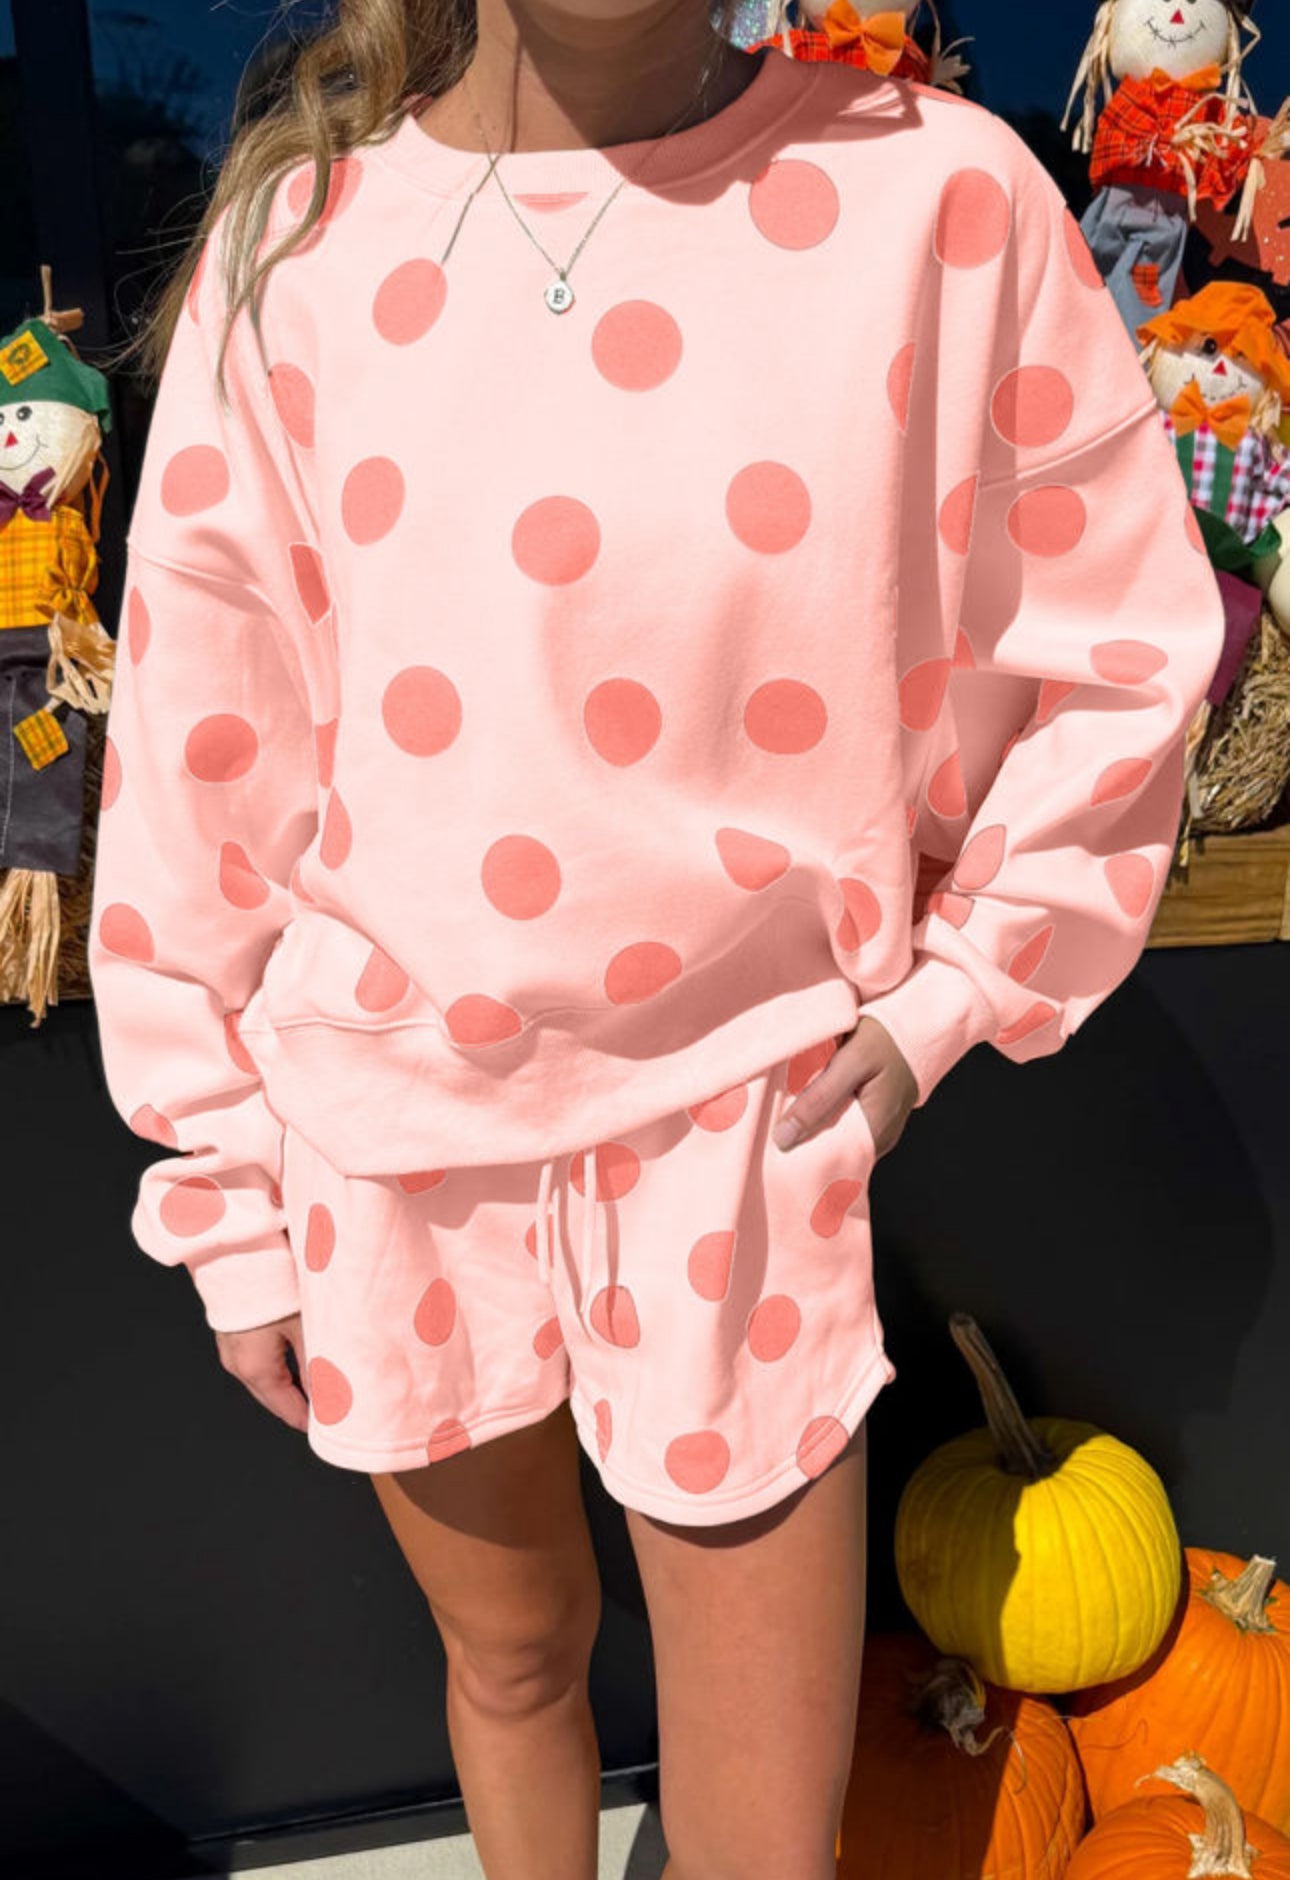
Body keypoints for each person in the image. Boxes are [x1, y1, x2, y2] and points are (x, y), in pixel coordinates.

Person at [86, 0, 1226, 1870]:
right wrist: (217, 1173)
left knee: (763, 1835)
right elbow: (209, 732)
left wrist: (947, 1002)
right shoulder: (301, 247)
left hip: (736, 1134)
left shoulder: (932, 200)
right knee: (510, 1658)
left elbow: (1122, 644)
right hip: (391, 1129)